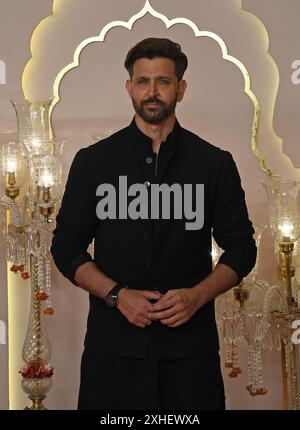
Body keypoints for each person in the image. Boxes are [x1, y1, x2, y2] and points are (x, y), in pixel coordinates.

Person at [51, 38, 256, 410]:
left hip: (191, 353)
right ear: (129, 88)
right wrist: (116, 295)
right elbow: (65, 247)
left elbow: (243, 248)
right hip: (112, 352)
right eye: (142, 81)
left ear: (181, 88)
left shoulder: (214, 163)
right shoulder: (93, 162)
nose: (152, 92)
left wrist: (198, 295)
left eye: (163, 81)